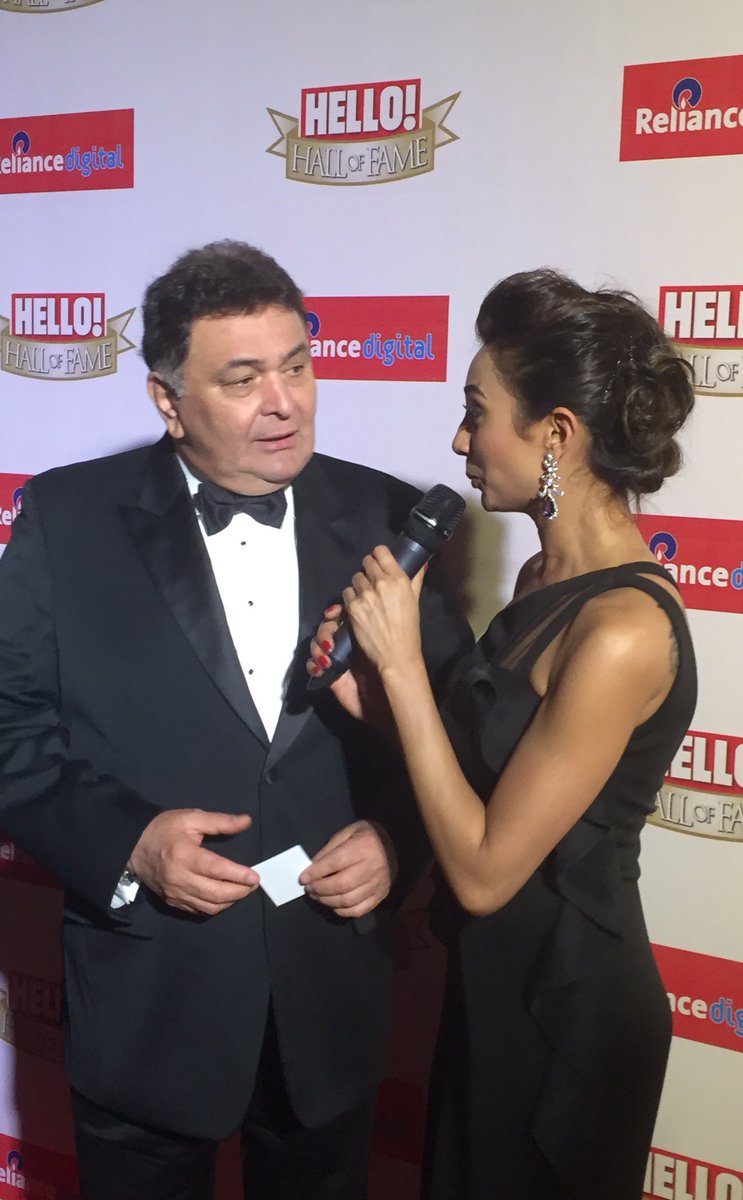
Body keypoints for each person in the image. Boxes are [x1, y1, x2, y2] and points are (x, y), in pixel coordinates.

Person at [0, 240, 472, 1200]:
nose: (284, 402)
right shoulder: (66, 517)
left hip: (327, 1000)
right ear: (168, 401)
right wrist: (130, 844)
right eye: (243, 379)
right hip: (149, 1007)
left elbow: (457, 729)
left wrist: (397, 838)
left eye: (297, 365)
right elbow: (10, 731)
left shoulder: (389, 517)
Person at [306, 268, 698, 1199]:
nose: (459, 440)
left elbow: (484, 872)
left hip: (569, 1014)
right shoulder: (539, 585)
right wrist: (377, 702)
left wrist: (405, 666)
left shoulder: (623, 631)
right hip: (491, 988)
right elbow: (486, 779)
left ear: (556, 433)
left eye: (477, 412)